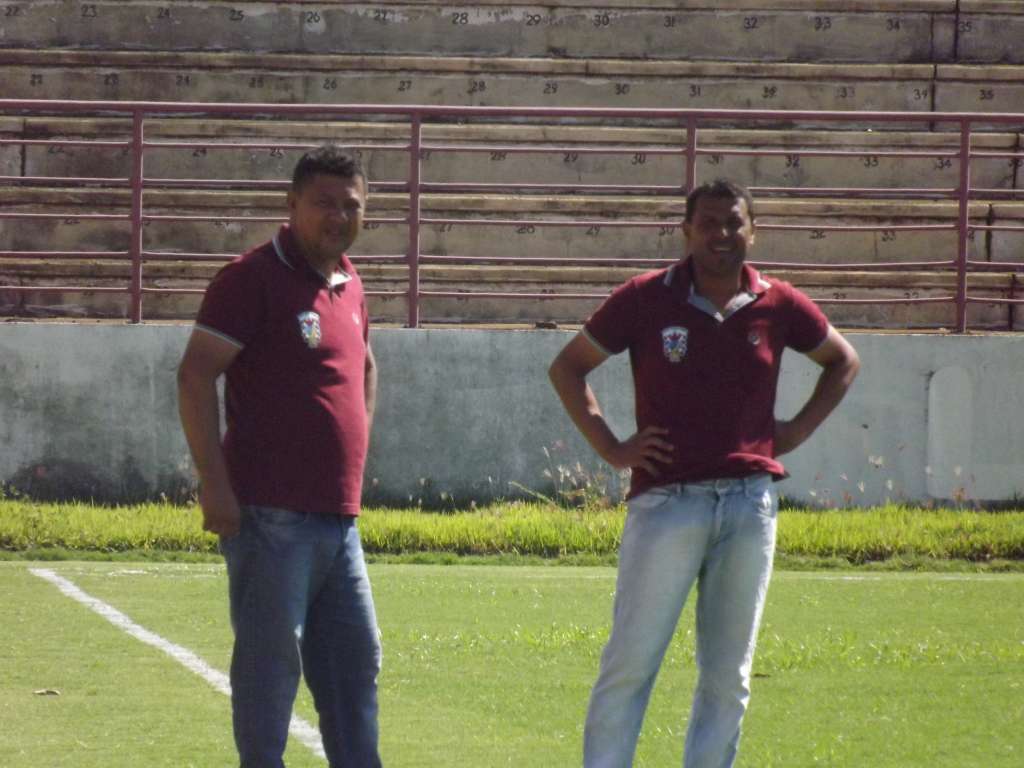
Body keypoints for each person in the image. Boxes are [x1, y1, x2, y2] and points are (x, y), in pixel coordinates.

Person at [548, 179, 860, 768]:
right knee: (630, 666)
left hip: (748, 506)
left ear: (753, 231)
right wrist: (613, 447)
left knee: (728, 675)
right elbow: (568, 368)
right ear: (686, 231)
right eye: (709, 223)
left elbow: (843, 360)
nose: (722, 234)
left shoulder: (779, 303)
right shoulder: (644, 297)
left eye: (734, 223)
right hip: (669, 503)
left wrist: (794, 430)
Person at [177, 145, 382, 768]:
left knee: (354, 666)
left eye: (351, 206)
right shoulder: (250, 278)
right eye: (323, 203)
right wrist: (215, 484)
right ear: (291, 205)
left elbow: (366, 367)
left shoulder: (349, 282)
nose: (337, 217)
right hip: (269, 516)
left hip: (338, 520)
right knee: (270, 674)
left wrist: (353, 449)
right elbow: (194, 377)